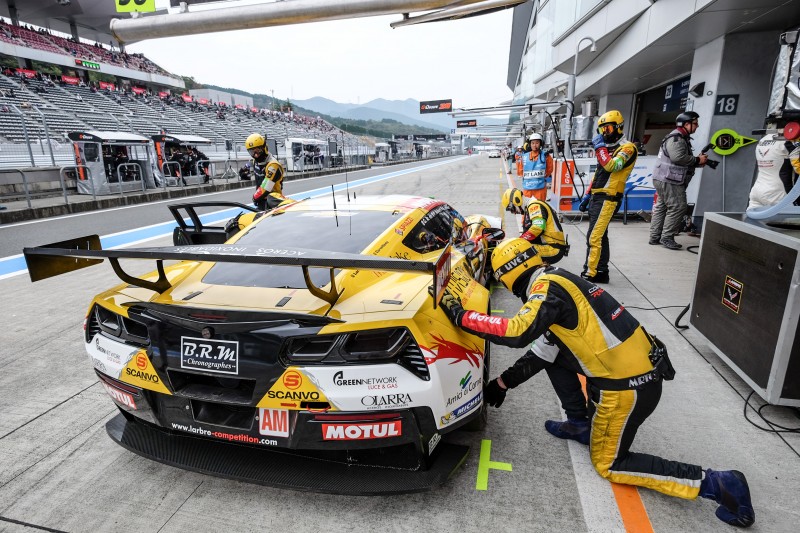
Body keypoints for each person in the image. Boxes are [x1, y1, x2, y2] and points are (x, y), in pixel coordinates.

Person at [436, 238, 755, 528]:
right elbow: (542, 353)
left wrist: (462, 316)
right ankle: (579, 424)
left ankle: (716, 483)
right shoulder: (560, 279)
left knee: (609, 464)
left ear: (506, 277)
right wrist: (503, 384)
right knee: (553, 357)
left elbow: (518, 331)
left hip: (628, 390)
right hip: (639, 372)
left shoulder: (546, 291)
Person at [581, 110, 638, 283]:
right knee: (601, 235)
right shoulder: (607, 149)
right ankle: (601, 271)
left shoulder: (628, 148)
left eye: (609, 129)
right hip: (597, 197)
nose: (605, 133)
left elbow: (611, 166)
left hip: (609, 198)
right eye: (602, 130)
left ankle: (590, 273)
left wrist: (599, 148)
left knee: (594, 237)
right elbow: (599, 173)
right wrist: (587, 194)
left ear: (619, 127)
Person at [649, 111, 707, 250]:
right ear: (686, 124)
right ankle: (667, 237)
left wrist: (697, 162)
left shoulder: (679, 137)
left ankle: (655, 236)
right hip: (669, 180)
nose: (697, 126)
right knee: (679, 206)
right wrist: (697, 160)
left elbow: (678, 158)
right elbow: (677, 158)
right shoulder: (677, 138)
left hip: (664, 178)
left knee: (662, 207)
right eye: (695, 123)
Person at [501, 187, 569, 264]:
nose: (514, 212)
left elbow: (538, 228)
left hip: (553, 248)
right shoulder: (531, 207)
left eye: (512, 209)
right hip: (550, 246)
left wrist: (519, 242)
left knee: (517, 254)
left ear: (517, 201)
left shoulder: (534, 206)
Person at [747, 121, 800, 209]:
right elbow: (798, 168)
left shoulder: (763, 139)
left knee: (750, 221)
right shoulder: (791, 141)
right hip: (778, 194)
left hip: (756, 192)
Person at [246, 133, 286, 210]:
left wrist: (255, 197)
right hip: (261, 201)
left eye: (258, 150)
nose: (256, 155)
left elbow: (266, 187)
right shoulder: (255, 162)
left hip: (274, 203)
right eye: (252, 152)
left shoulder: (273, 165)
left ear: (264, 148)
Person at [520, 133, 554, 201]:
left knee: (540, 208)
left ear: (540, 144)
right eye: (532, 143)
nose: (534, 145)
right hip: (527, 189)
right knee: (528, 209)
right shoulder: (524, 156)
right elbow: (521, 170)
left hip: (540, 189)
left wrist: (541, 177)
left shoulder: (546, 156)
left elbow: (550, 169)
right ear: (530, 144)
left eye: (537, 143)